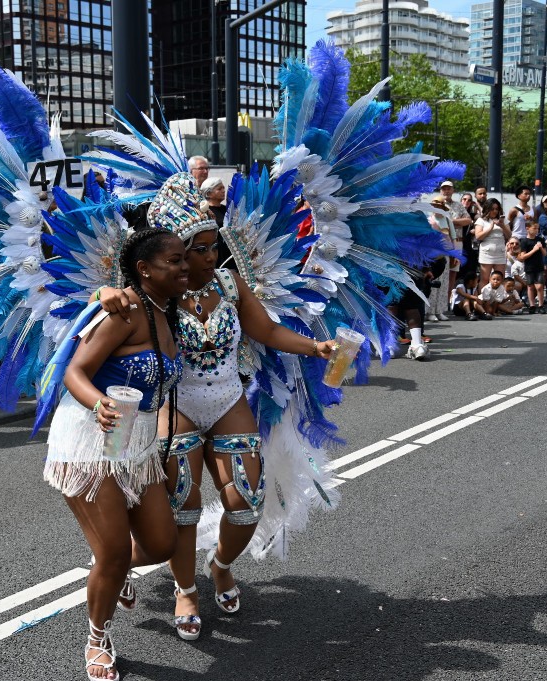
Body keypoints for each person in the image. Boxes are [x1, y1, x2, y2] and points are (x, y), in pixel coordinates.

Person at [99, 173, 337, 642]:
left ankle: (221, 565)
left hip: (229, 398)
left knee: (245, 502)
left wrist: (315, 347)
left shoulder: (229, 284)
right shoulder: (156, 294)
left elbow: (266, 332)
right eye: (199, 249)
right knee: (182, 507)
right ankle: (184, 589)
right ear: (174, 256)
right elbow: (111, 302)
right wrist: (103, 293)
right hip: (177, 404)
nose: (211, 257)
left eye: (214, 246)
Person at [47, 227, 186, 681]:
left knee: (162, 543)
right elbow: (75, 370)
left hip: (139, 442)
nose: (184, 266)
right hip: (92, 439)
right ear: (144, 269)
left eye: (186, 258)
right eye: (174, 260)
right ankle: (97, 639)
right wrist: (99, 403)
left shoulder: (170, 312)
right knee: (111, 552)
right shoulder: (124, 311)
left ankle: (114, 569)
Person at [474, 198, 511, 285]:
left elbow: (509, 235)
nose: (494, 211)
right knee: (485, 279)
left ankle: (498, 298)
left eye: (496, 209)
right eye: (492, 209)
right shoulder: (481, 220)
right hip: (487, 252)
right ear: (487, 209)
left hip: (500, 251)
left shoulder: (503, 221)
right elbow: (478, 236)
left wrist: (502, 226)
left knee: (500, 278)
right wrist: (491, 227)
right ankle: (483, 298)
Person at [518, 221, 547, 313]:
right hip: (529, 266)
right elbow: (523, 256)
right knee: (530, 286)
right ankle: (532, 305)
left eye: (537, 228)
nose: (536, 230)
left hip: (539, 266)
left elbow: (545, 253)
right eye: (534, 228)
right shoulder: (524, 241)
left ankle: (541, 305)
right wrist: (534, 250)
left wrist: (541, 247)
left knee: (539, 286)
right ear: (527, 228)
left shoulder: (540, 239)